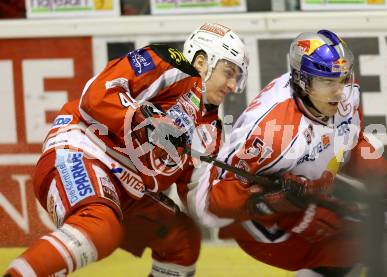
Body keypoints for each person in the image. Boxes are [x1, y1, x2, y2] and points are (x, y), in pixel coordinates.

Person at [185, 29, 387, 277]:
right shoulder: (271, 133)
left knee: (374, 234)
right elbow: (216, 203)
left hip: (307, 195)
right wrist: (274, 201)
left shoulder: (343, 95)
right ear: (302, 81)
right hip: (264, 229)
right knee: (382, 234)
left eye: (342, 77)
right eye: (328, 81)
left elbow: (348, 147)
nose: (339, 90)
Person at [4, 22, 248, 277]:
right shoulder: (168, 63)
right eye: (228, 72)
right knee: (99, 227)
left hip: (126, 189)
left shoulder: (210, 130)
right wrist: (143, 118)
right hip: (84, 150)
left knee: (182, 241)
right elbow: (96, 96)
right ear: (201, 61)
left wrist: (251, 197)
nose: (232, 85)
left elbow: (202, 205)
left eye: (237, 78)